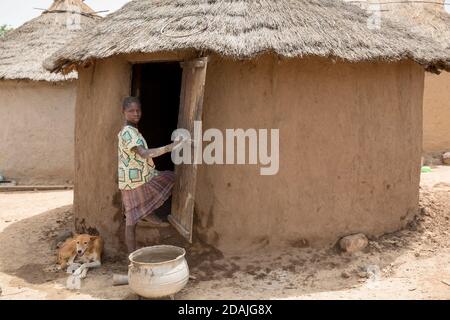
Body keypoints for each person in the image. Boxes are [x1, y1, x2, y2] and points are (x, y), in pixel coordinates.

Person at [118, 96, 179, 254]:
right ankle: (131, 258)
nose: (136, 113)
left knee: (170, 177)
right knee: (131, 222)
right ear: (124, 112)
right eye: (131, 111)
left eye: (138, 110)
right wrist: (169, 148)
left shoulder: (134, 131)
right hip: (133, 181)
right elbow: (144, 154)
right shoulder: (128, 133)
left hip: (142, 176)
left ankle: (147, 212)